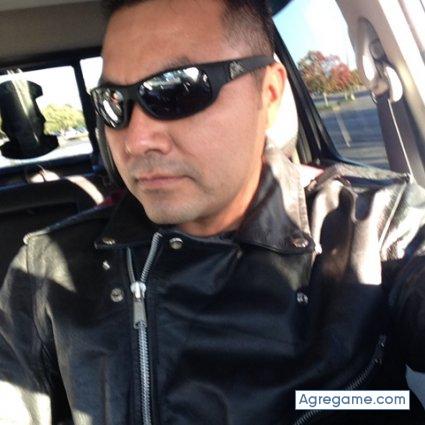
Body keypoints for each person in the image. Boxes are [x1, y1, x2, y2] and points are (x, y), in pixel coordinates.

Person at [1, 0, 425, 424]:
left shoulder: (374, 224)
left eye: (176, 89)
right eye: (114, 102)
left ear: (269, 94)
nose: (136, 139)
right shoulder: (46, 270)